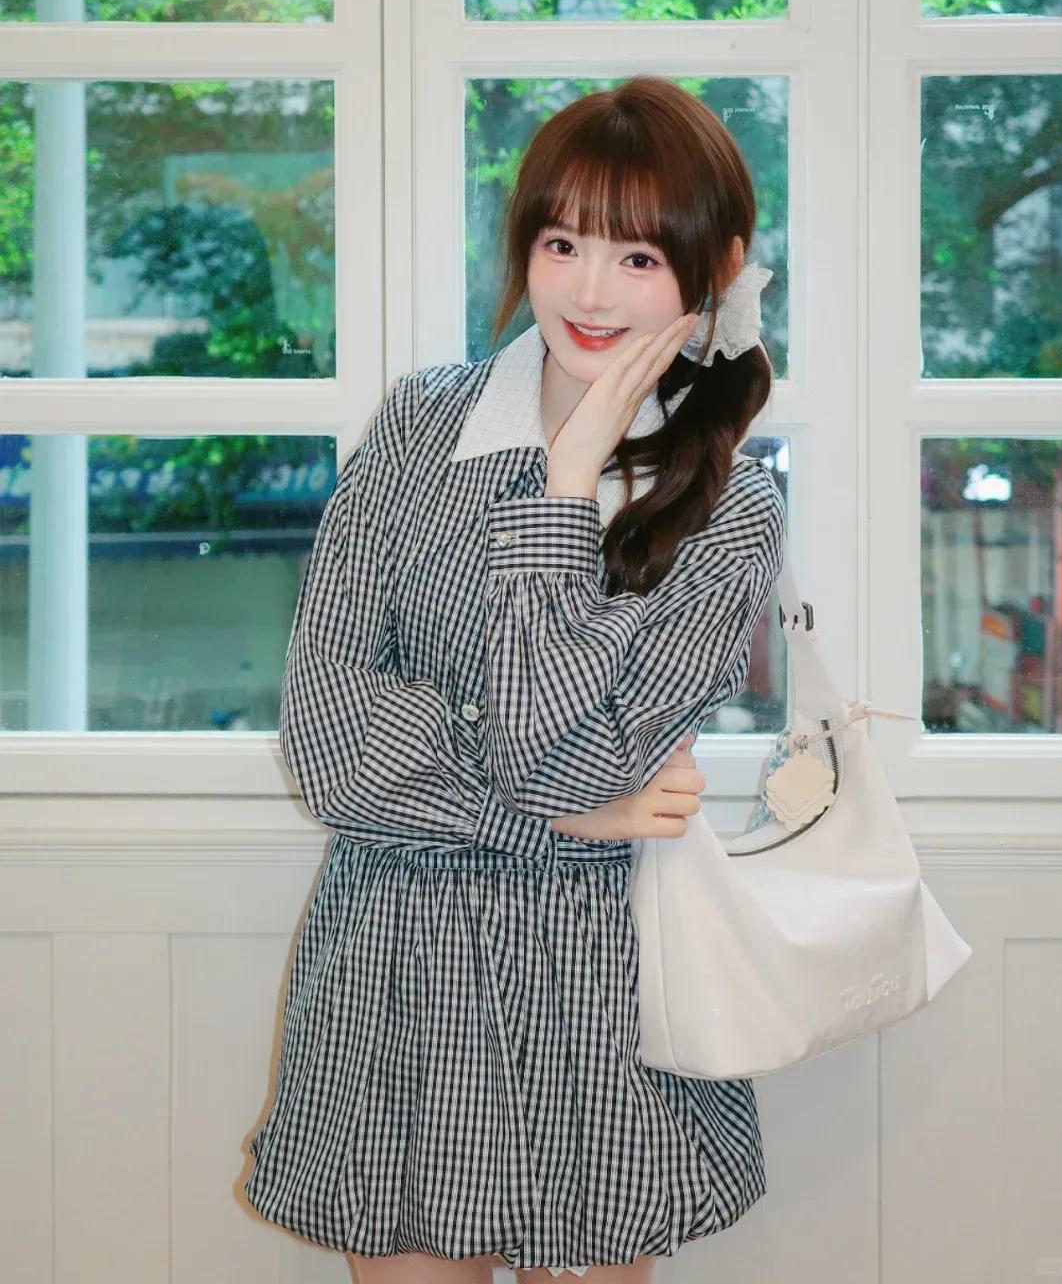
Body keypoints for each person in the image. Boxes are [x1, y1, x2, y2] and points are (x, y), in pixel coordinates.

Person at [243, 75, 786, 1284]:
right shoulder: (419, 427)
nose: (589, 292)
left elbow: (568, 760)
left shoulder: (731, 508)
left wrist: (567, 484)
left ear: (714, 268)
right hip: (398, 957)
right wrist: (560, 813)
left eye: (637, 257)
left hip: (598, 979)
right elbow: (328, 738)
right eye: (561, 243)